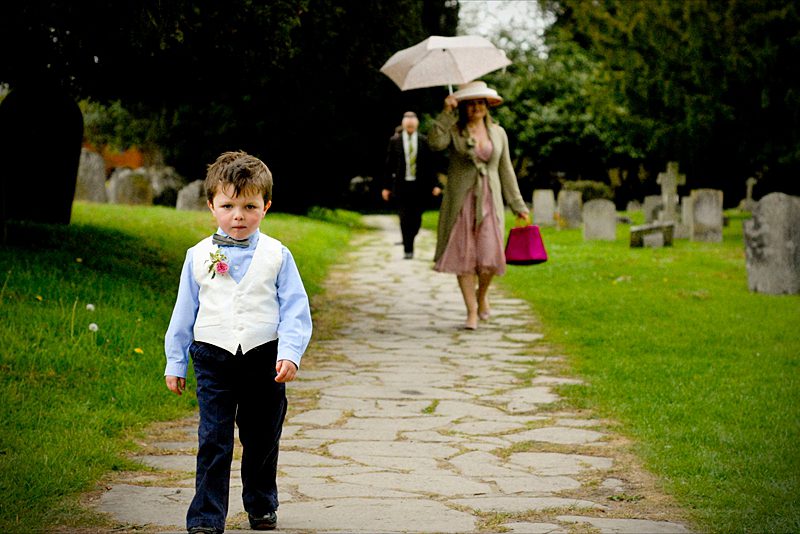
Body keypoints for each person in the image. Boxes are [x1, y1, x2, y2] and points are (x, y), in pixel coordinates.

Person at [164, 150, 312, 534]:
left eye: (249, 206)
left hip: (265, 358)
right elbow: (183, 314)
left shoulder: (278, 255)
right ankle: (205, 517)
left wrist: (290, 353)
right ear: (211, 206)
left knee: (262, 437)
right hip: (212, 356)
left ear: (266, 206)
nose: (238, 216)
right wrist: (175, 362)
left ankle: (261, 503)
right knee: (213, 439)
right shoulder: (198, 256)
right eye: (228, 206)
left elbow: (295, 310)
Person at [428, 81, 530, 330]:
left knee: (490, 256)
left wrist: (518, 205)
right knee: (464, 256)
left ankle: (481, 295)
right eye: (470, 103)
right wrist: (446, 113)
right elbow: (435, 143)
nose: (476, 107)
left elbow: (506, 170)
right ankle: (471, 310)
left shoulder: (498, 133)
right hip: (462, 202)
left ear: (487, 105)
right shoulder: (454, 130)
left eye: (480, 102)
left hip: (489, 201)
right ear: (463, 107)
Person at [382, 110, 442, 259]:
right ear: (403, 124)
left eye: (412, 122)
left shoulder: (424, 141)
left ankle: (411, 237)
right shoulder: (395, 141)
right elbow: (389, 165)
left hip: (420, 186)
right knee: (404, 217)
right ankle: (408, 249)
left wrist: (435, 184)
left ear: (416, 124)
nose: (410, 125)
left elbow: (431, 165)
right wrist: (386, 187)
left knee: (416, 218)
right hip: (401, 185)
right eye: (407, 122)